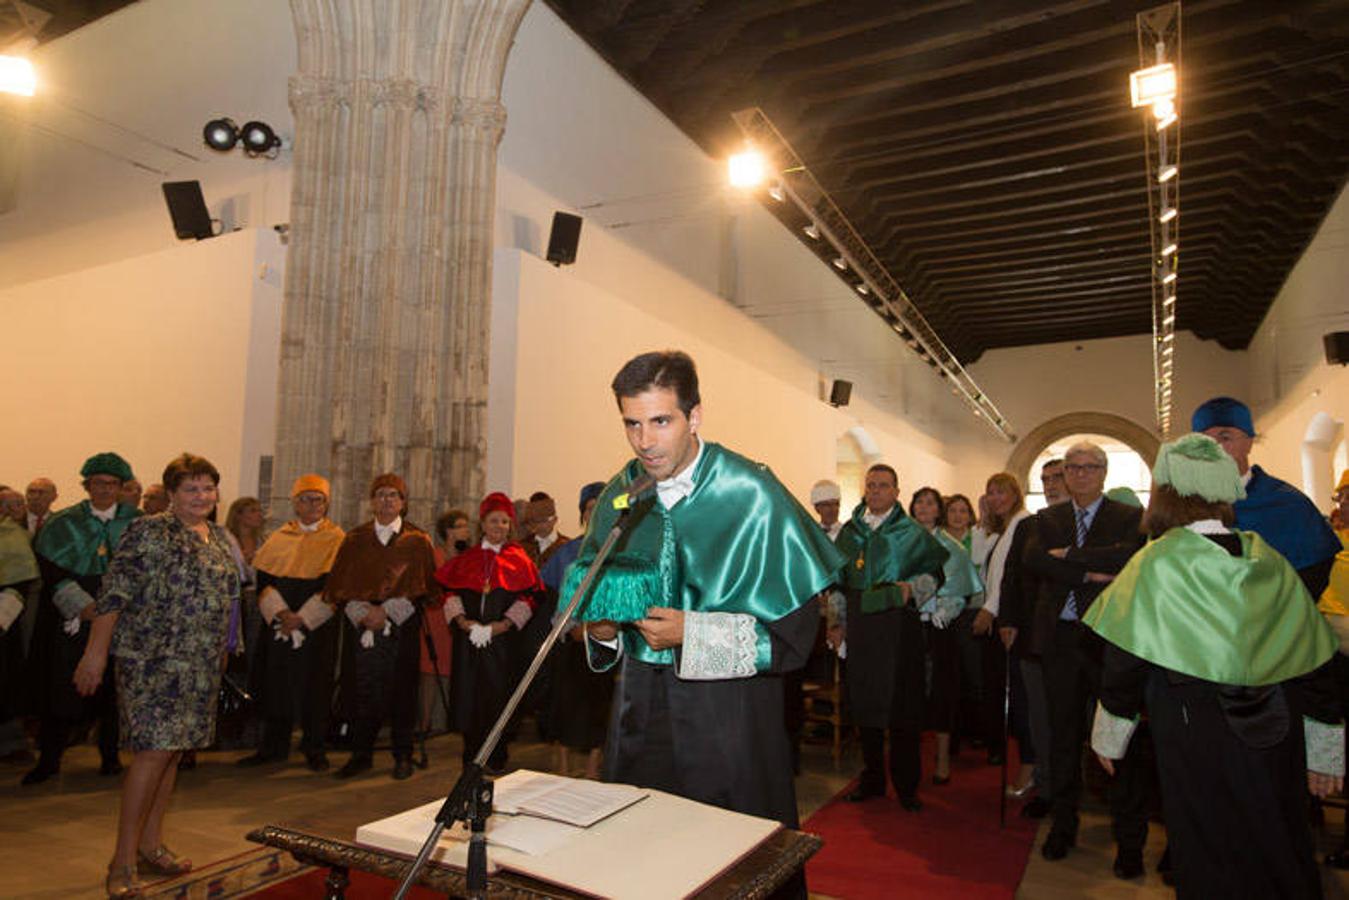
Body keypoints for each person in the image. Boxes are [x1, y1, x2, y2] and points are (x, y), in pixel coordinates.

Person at [566, 350, 842, 836]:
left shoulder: (752, 493)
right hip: (640, 716)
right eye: (631, 424)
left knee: (725, 855)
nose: (644, 442)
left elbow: (795, 638)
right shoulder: (620, 496)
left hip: (728, 722)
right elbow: (598, 613)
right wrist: (602, 631)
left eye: (660, 421)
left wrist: (691, 633)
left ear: (694, 416)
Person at [1086, 433, 1342, 897]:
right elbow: (1312, 656)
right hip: (1275, 727)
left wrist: (1111, 731)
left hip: (1193, 728)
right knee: (1279, 836)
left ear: (1165, 494)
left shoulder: (1159, 562)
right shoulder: (1268, 559)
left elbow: (1125, 659)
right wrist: (1325, 743)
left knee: (1206, 843)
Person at [74, 452, 241, 899]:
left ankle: (151, 846)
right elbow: (114, 594)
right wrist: (95, 654)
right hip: (152, 662)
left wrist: (226, 654)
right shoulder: (149, 531)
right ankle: (122, 859)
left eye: (208, 487)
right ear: (171, 494)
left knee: (170, 755)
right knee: (151, 755)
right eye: (191, 488)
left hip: (199, 667)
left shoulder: (218, 538)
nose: (201, 496)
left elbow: (229, 601)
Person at [1013, 442, 1147, 875]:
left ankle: (1128, 843)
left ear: (1104, 472)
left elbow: (1129, 559)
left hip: (1110, 643)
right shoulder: (1047, 519)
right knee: (1063, 737)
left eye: (1090, 467)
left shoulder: (1129, 517)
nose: (1081, 474)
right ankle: (1063, 827)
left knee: (1117, 740)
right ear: (1065, 474)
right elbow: (1034, 561)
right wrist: (1091, 572)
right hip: (1061, 642)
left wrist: (1069, 557)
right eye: (1073, 467)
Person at [834, 464, 948, 812]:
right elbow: (837, 583)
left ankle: (906, 785)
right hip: (861, 627)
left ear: (897, 492)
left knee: (903, 708)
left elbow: (936, 573)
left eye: (884, 486)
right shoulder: (850, 533)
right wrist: (836, 623)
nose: (877, 491)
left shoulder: (911, 532)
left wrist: (913, 588)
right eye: (871, 486)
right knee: (865, 704)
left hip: (900, 629)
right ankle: (872, 779)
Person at [24, 453, 140, 785]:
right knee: (61, 684)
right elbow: (50, 568)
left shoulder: (138, 522)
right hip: (72, 613)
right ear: (87, 486)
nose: (105, 489)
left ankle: (110, 756)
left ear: (121, 487)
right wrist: (80, 605)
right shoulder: (63, 522)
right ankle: (49, 760)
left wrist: (115, 607)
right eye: (98, 483)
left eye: (112, 484)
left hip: (121, 612)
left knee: (114, 688)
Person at [326, 473, 437, 780]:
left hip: (400, 626)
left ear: (403, 503)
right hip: (360, 625)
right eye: (381, 494)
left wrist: (386, 612)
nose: (387, 500)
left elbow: (423, 589)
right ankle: (360, 754)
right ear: (372, 501)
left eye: (393, 495)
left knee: (402, 691)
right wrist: (364, 613)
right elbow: (339, 586)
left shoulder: (418, 540)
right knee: (360, 689)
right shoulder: (355, 539)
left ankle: (403, 754)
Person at [237, 475, 344, 771]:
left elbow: (336, 585)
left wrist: (303, 619)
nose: (312, 505)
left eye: (318, 499)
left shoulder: (337, 539)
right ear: (295, 503)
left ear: (326, 503)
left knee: (316, 685)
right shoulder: (278, 537)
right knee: (276, 683)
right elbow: (265, 581)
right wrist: (283, 615)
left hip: (317, 625)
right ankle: (273, 746)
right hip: (280, 623)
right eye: (305, 499)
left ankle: (314, 747)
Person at [1193, 396, 1340, 596]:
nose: (1215, 449)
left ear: (1249, 442)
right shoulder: (1182, 506)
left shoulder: (1289, 504)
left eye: (1225, 437)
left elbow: (1315, 573)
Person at [438, 492, 541, 772]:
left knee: (500, 695)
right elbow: (449, 592)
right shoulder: (466, 558)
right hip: (469, 639)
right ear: (482, 524)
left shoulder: (519, 559)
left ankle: (497, 753)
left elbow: (530, 598)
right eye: (494, 521)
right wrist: (461, 621)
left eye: (505, 522)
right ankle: (471, 753)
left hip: (503, 643)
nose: (500, 527)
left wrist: (504, 625)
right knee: (470, 695)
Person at [908, 487, 981, 785]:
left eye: (930, 503)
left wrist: (945, 608)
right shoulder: (902, 542)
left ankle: (941, 760)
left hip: (941, 627)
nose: (924, 507)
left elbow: (963, 588)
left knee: (942, 691)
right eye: (919, 502)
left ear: (939, 510)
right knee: (909, 692)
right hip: (908, 624)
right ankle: (908, 758)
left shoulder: (953, 547)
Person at [971, 473, 1037, 797]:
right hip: (1001, 617)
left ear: (1015, 494)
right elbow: (984, 564)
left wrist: (990, 610)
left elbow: (1009, 578)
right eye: (990, 492)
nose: (996, 498)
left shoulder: (1023, 523)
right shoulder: (1004, 527)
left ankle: (1030, 765)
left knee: (1021, 700)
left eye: (1001, 492)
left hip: (1011, 621)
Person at [541, 482, 611, 779]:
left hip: (606, 641)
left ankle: (594, 767)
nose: (595, 515)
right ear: (582, 514)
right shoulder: (567, 552)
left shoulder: (621, 552)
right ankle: (564, 766)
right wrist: (572, 629)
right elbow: (552, 601)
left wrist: (602, 628)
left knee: (601, 707)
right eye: (590, 509)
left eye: (600, 509)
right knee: (565, 706)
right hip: (570, 641)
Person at [419, 508, 470, 736]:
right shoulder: (434, 555)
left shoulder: (467, 557)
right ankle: (424, 722)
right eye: (461, 526)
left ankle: (447, 721)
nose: (466, 531)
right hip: (435, 615)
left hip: (458, 618)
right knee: (430, 670)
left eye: (466, 526)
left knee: (454, 670)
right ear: (448, 531)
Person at [0, 487, 39, 761]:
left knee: (5, 681)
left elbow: (21, 581)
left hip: (3, 620)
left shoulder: (12, 535)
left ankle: (10, 742)